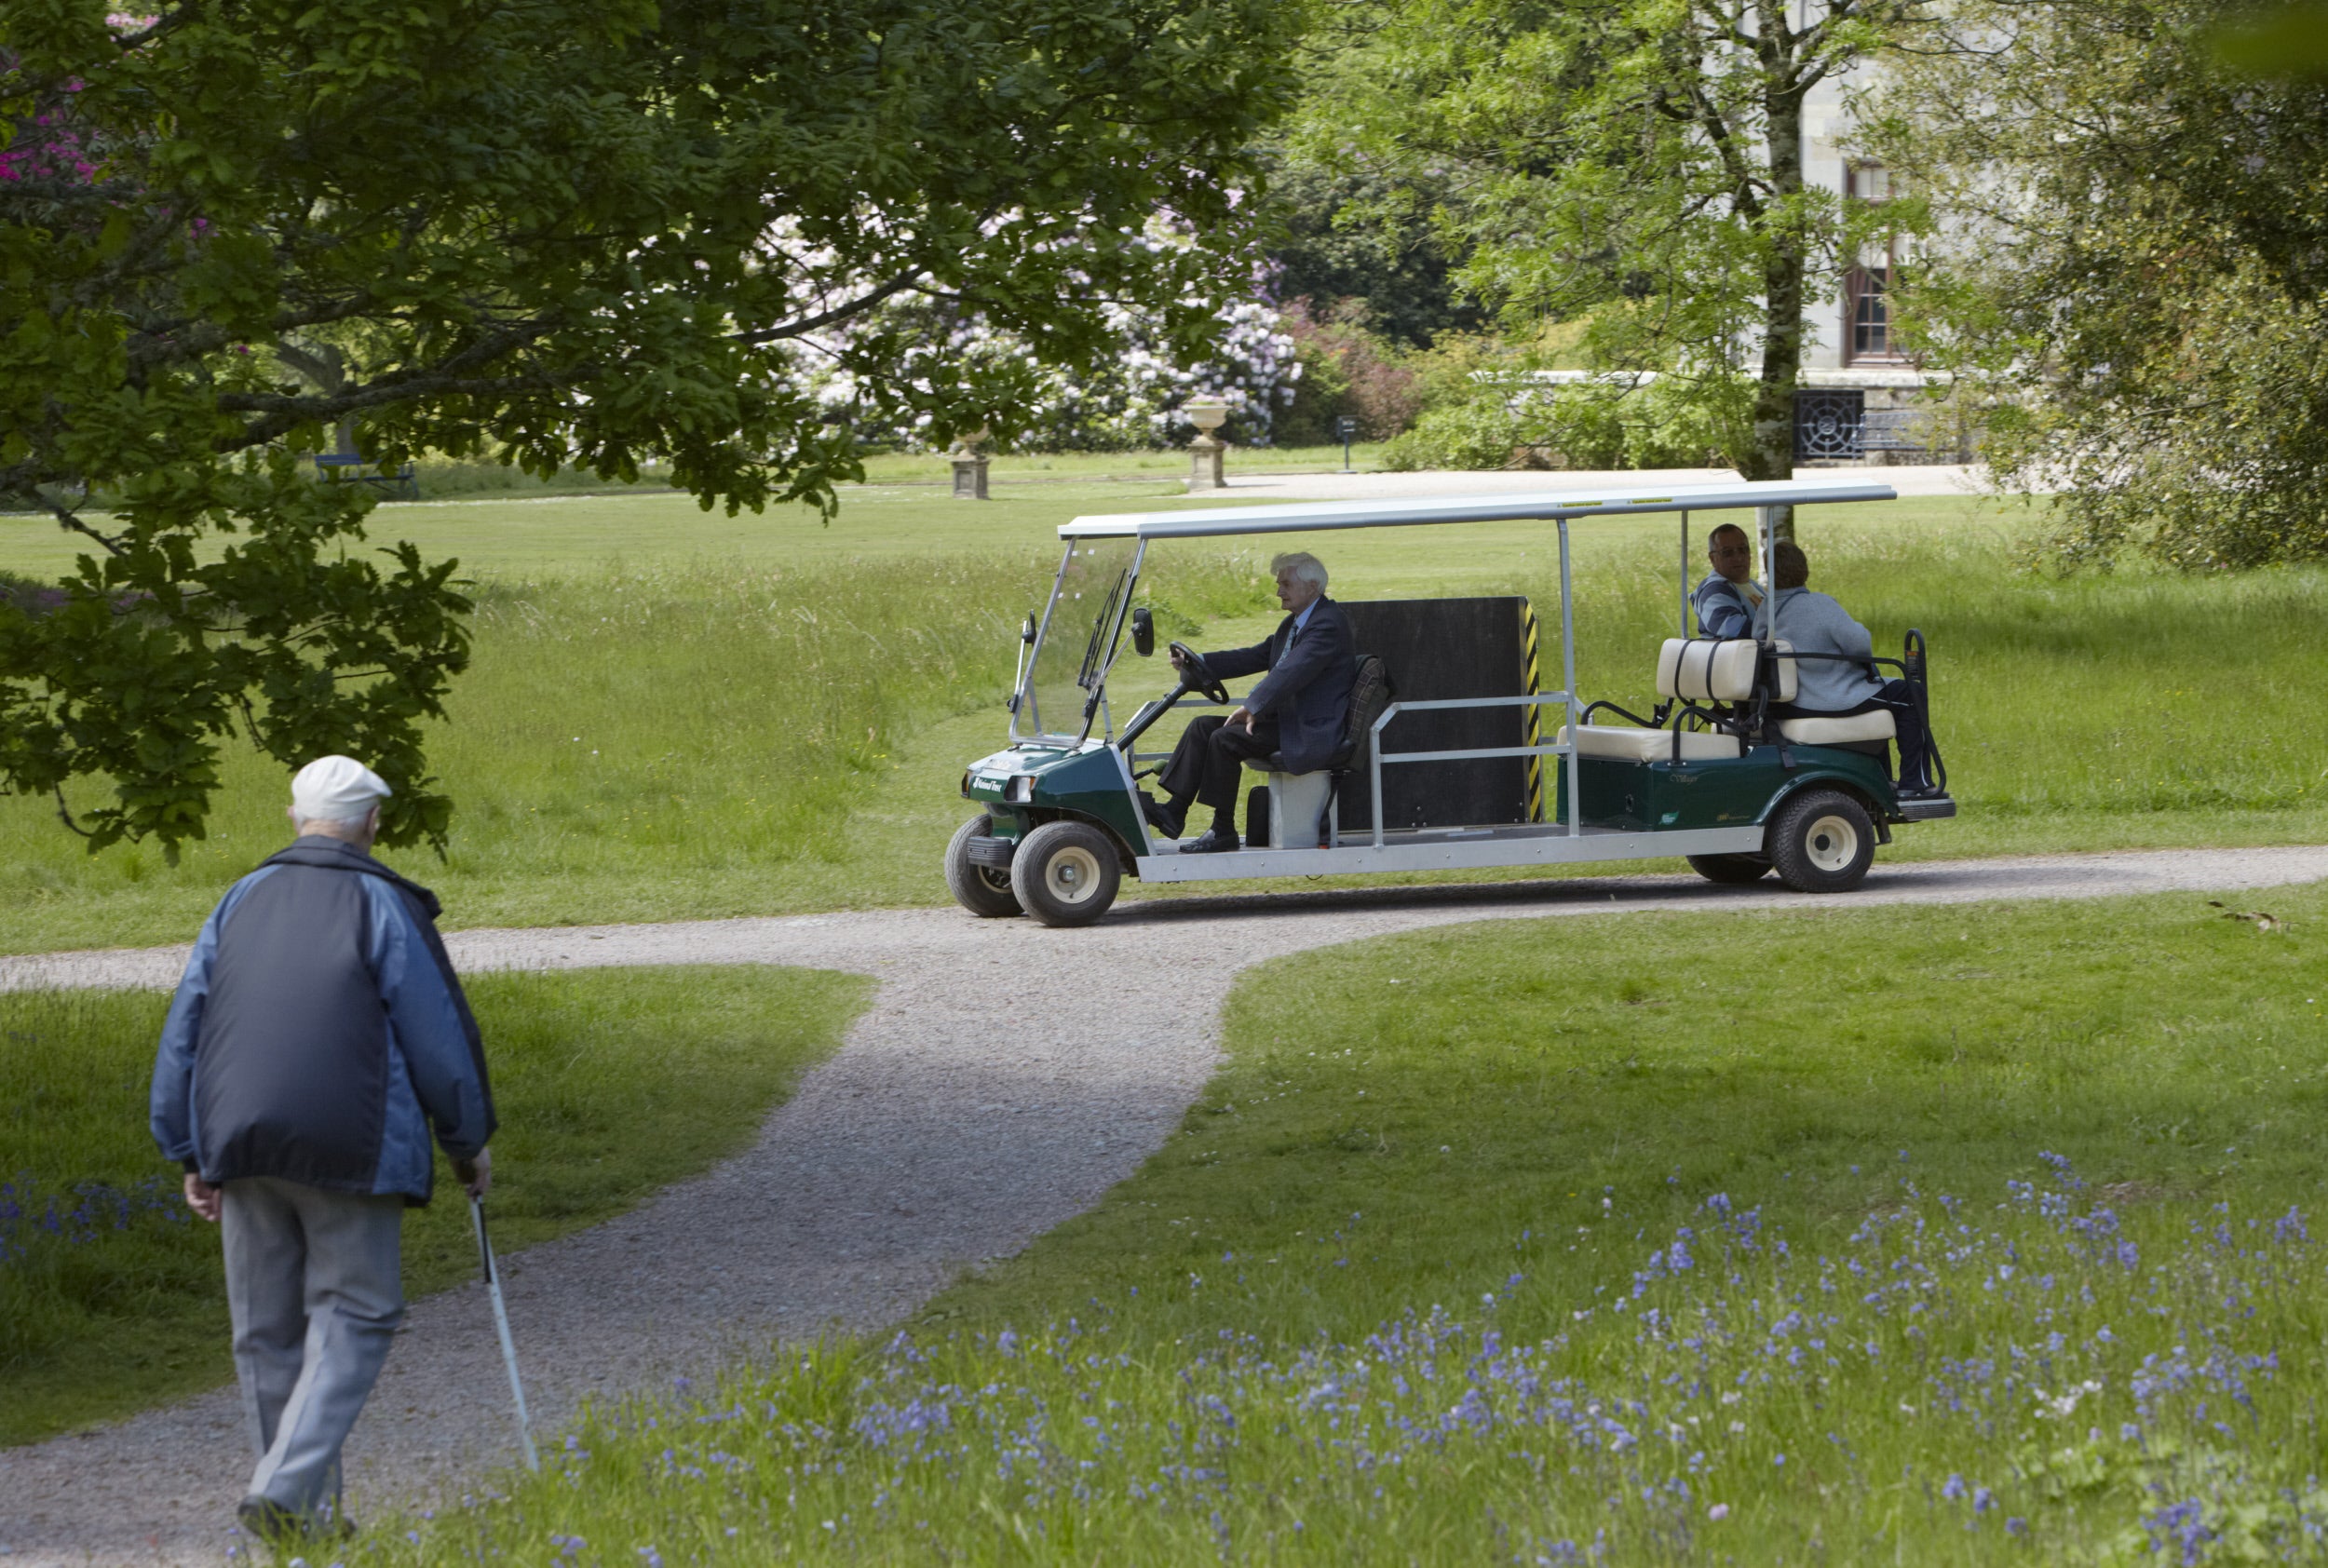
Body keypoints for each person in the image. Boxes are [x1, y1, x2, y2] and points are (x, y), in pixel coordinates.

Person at [149, 755, 495, 1542]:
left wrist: (187, 1147)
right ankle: (285, 1488)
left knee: (265, 1329)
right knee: (358, 1311)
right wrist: (466, 1139)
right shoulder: (380, 900)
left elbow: (188, 1026)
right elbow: (438, 1037)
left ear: (294, 818)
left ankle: (300, 1520)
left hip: (238, 1138)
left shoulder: (241, 898)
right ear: (373, 822)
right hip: (354, 1141)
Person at [1145, 551, 1357, 852]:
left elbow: (1292, 671)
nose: (1278, 591)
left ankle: (1223, 830)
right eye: (1278, 584)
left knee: (1225, 739)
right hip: (1287, 720)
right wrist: (1199, 661)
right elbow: (1257, 656)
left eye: (1285, 584)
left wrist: (1254, 705)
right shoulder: (1295, 623)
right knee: (1202, 727)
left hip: (1308, 728)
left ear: (1312, 587)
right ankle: (1175, 811)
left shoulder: (1327, 625)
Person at [1766, 541, 1941, 795]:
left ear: (1772, 575)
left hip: (1792, 702)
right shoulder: (1820, 604)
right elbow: (1860, 645)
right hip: (1830, 697)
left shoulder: (1766, 610)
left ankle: (1882, 779)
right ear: (1804, 570)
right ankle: (1917, 782)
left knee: (1883, 693)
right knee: (1911, 692)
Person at [1692, 522, 1766, 639]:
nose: (1738, 557)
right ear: (1712, 558)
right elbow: (1736, 629)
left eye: (1742, 550)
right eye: (1727, 553)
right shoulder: (1713, 592)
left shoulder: (1753, 586)